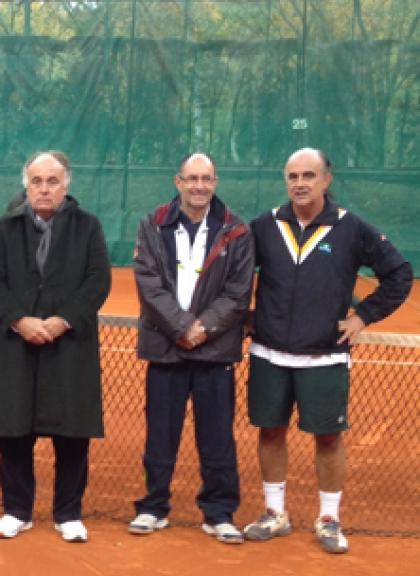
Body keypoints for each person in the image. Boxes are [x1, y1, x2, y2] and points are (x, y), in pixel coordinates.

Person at [244, 148, 412, 554]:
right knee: (270, 432)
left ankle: (328, 518)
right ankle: (274, 512)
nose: (299, 183)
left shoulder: (351, 228)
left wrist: (363, 316)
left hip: (324, 357)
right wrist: (244, 317)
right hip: (269, 354)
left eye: (308, 175)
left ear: (325, 180)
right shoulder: (265, 225)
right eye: (292, 176)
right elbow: (231, 274)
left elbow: (399, 273)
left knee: (328, 438)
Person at [0, 151, 111, 543]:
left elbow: (97, 281)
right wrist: (20, 320)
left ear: (65, 185)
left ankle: (68, 513)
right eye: (36, 181)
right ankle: (17, 510)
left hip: (69, 344)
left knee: (71, 432)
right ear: (26, 185)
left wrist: (62, 320)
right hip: (18, 343)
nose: (44, 188)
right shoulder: (4, 228)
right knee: (14, 431)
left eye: (52, 181)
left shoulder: (88, 226)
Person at [129, 152, 254, 544]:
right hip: (166, 348)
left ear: (215, 182)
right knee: (158, 437)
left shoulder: (236, 230)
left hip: (214, 352)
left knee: (217, 438)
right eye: (192, 178)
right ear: (177, 181)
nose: (200, 186)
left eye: (207, 178)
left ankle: (218, 513)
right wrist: (182, 327)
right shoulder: (152, 224)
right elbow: (148, 284)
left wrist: (203, 328)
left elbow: (238, 293)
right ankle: (153, 507)